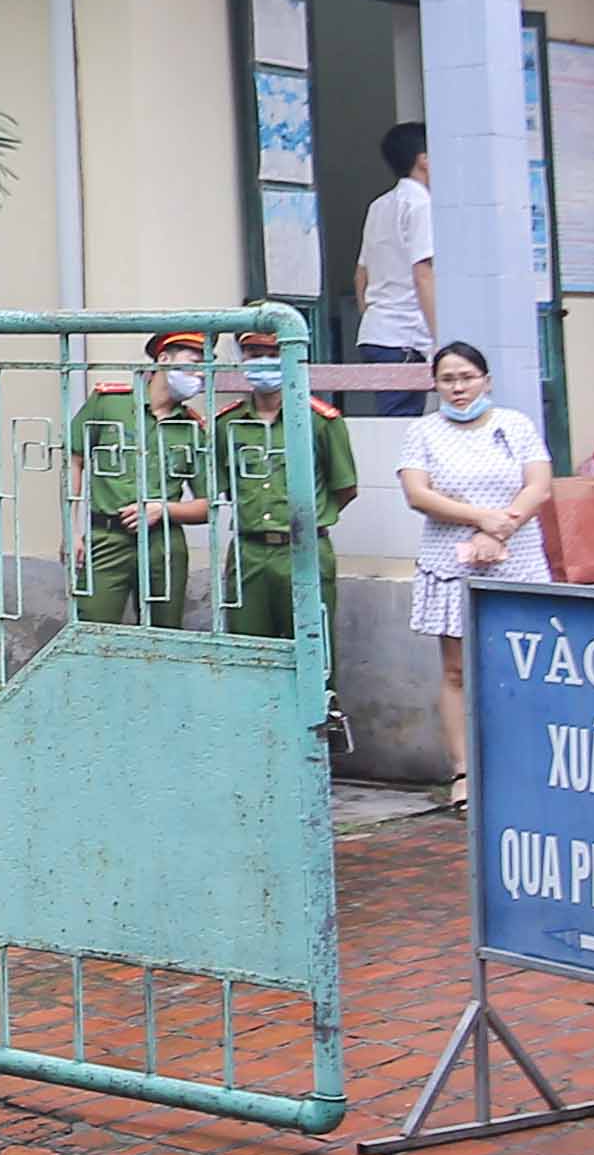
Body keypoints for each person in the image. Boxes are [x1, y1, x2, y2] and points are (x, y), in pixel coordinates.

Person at [395, 340, 552, 779]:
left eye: (467, 377)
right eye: (447, 380)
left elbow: (538, 484)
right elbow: (417, 493)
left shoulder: (514, 425)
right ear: (436, 386)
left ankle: (525, 764)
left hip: (516, 560)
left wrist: (501, 526)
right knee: (457, 669)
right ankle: (464, 770)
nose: (458, 388)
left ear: (487, 380)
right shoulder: (423, 431)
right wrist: (481, 518)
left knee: (520, 662)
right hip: (450, 565)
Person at [197, 330, 357, 643]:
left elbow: (345, 488)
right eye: (254, 354)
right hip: (249, 553)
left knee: (312, 649)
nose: (263, 363)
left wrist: (309, 518)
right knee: (249, 649)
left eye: (272, 354)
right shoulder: (226, 424)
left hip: (304, 549)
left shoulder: (320, 420)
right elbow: (219, 487)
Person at [65, 330, 218, 630]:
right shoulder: (110, 403)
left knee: (163, 637)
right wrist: (71, 530)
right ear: (163, 359)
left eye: (206, 366)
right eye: (194, 362)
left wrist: (163, 509)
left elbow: (207, 505)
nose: (200, 373)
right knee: (93, 631)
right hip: (106, 536)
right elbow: (74, 460)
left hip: (163, 545)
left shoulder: (193, 429)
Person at [349, 122, 438, 397]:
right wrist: (440, 338)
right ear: (423, 160)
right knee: (401, 425)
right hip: (405, 337)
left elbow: (360, 275)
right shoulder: (421, 205)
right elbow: (423, 273)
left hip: (375, 333)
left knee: (391, 419)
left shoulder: (379, 205)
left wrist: (374, 316)